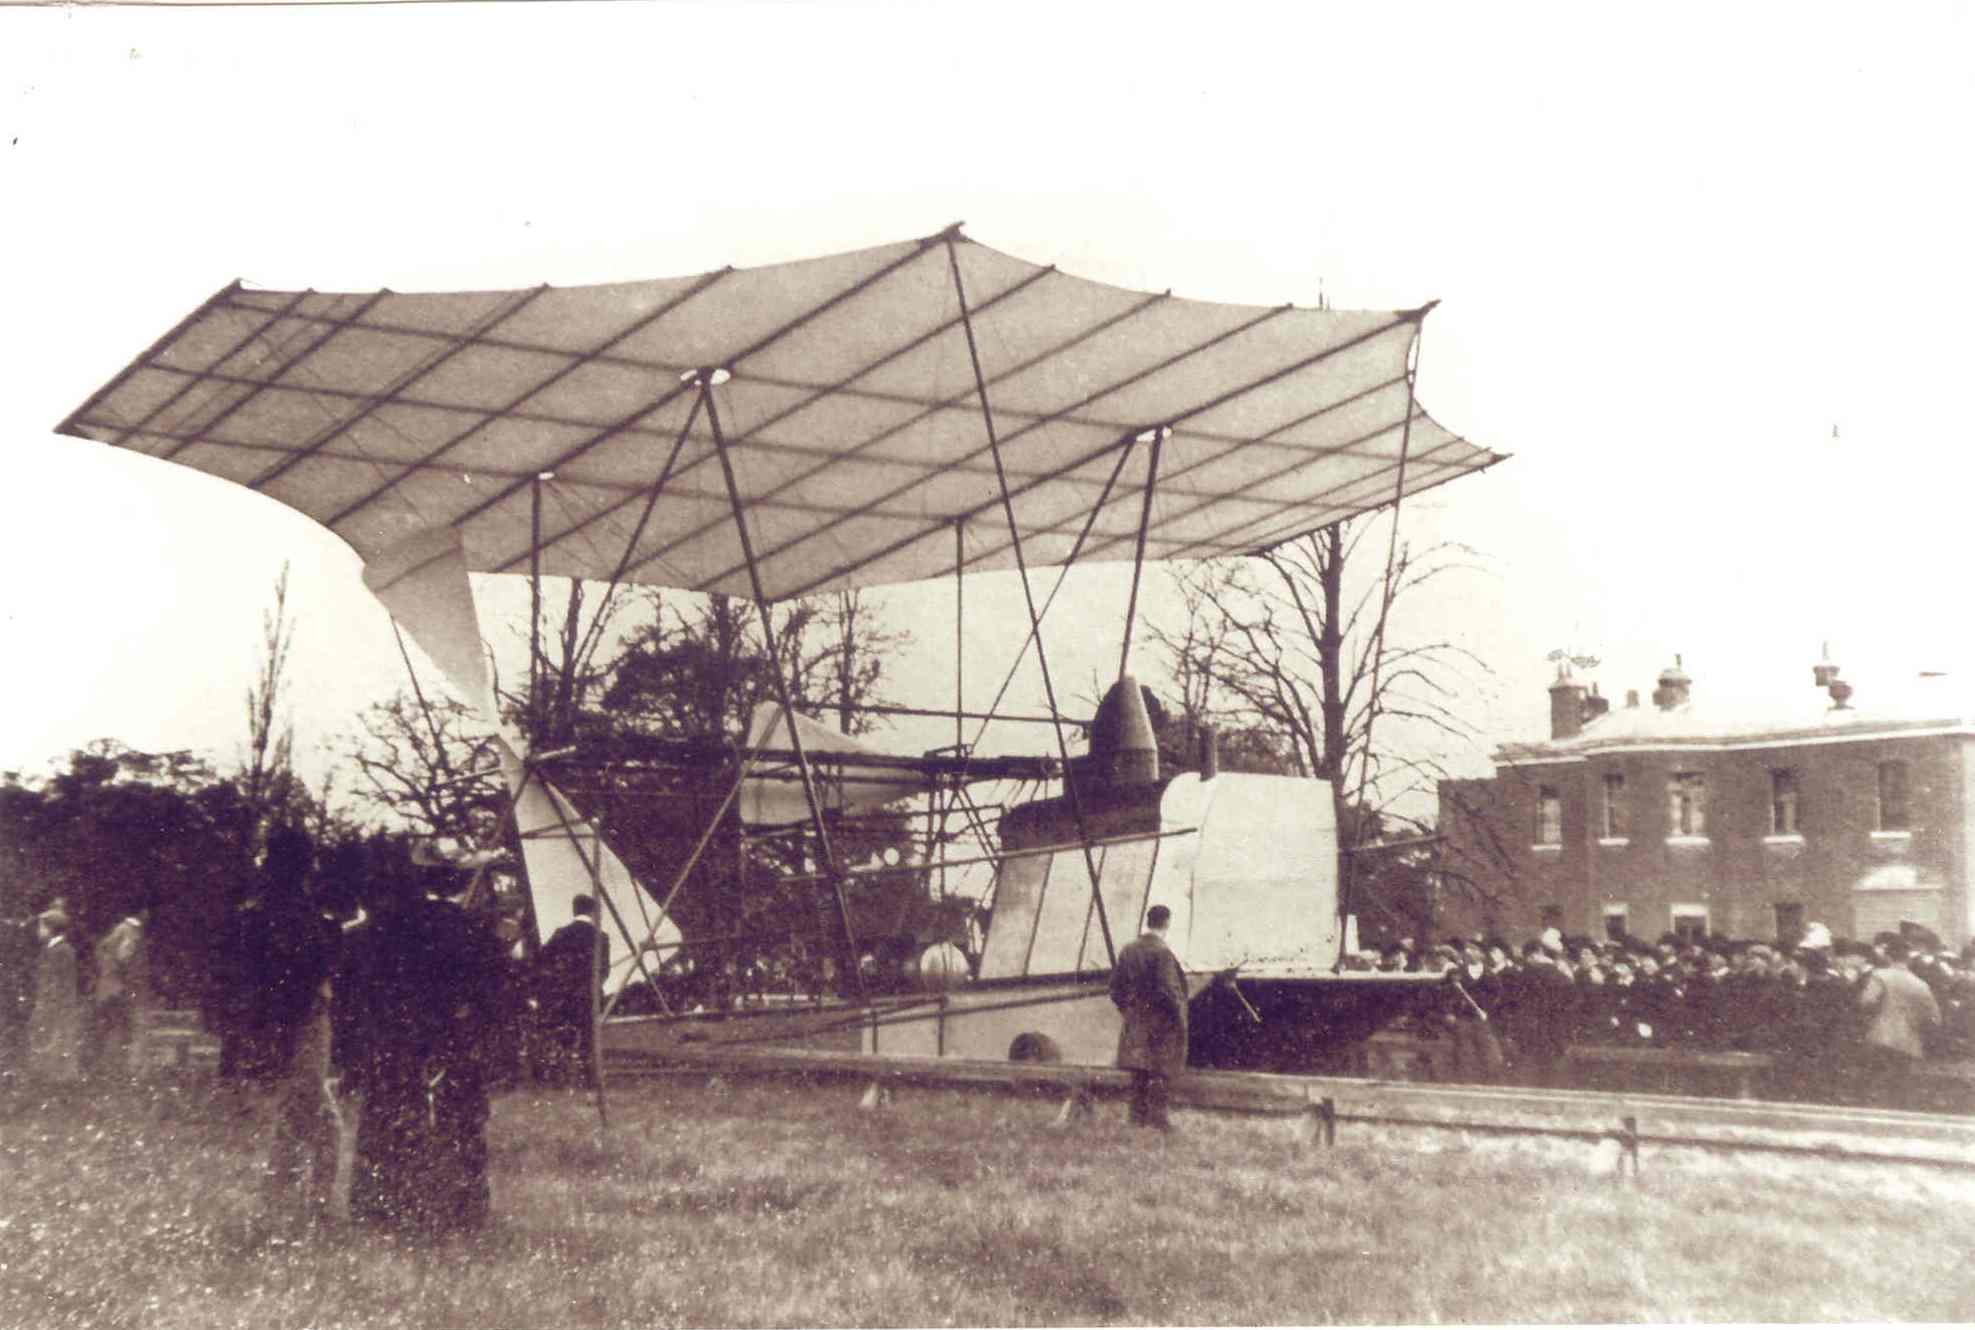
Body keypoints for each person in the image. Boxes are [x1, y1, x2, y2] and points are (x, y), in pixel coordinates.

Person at [334, 855, 507, 1234]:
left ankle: (379, 1207)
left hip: (391, 1041)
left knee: (385, 1122)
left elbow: (352, 999)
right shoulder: (468, 929)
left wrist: (350, 1053)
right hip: (453, 1039)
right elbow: (495, 989)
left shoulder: (374, 934)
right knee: (460, 1123)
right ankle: (464, 1208)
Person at [1108, 903, 1188, 1130]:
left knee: (1139, 1070)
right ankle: (1159, 1120)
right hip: (1161, 1023)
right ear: (1167, 923)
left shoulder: (1128, 950)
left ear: (1148, 921)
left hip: (1136, 1021)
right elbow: (1170, 989)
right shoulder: (1162, 953)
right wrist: (1180, 1016)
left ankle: (1137, 1119)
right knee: (1161, 1070)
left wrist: (1128, 1010)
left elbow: (1115, 988)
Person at [1855, 936, 1941, 1110]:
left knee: (1877, 1082)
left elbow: (1866, 1002)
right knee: (1900, 1085)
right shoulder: (1921, 984)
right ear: (1908, 957)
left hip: (1881, 1036)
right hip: (1908, 1041)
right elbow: (1935, 1017)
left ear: (1887, 956)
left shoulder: (1880, 976)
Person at [535, 895, 607, 1087]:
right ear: (592, 912)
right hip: (588, 993)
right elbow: (604, 970)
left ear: (574, 910)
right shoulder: (601, 936)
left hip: (563, 993)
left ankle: (559, 1074)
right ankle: (589, 1077)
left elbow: (542, 958)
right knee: (588, 1036)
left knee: (561, 1033)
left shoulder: (561, 934)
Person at [86, 909, 149, 1081]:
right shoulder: (130, 932)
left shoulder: (118, 930)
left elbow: (104, 952)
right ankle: (116, 1070)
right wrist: (127, 979)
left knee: (110, 1028)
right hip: (118, 988)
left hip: (108, 987)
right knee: (119, 1028)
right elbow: (124, 957)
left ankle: (107, 1068)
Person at [28, 906, 82, 1083]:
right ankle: (49, 1076)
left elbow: (63, 985)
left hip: (57, 1007)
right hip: (48, 1005)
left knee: (58, 1041)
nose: (38, 931)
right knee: (48, 1041)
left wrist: (52, 1005)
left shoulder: (64, 951)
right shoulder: (49, 950)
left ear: (50, 929)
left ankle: (60, 1080)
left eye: (41, 927)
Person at [0, 907, 39, 1087]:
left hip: (12, 990)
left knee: (12, 1031)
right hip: (14, 989)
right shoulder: (19, 933)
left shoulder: (14, 933)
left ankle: (12, 1072)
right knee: (14, 1032)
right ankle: (14, 1071)